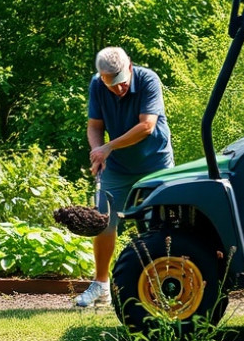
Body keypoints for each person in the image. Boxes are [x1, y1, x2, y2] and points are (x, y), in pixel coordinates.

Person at [75, 47, 175, 307]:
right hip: (118, 167)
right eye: (112, 86)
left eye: (121, 84)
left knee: (158, 226)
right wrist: (98, 152)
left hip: (155, 164)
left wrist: (108, 147)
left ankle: (161, 285)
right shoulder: (98, 85)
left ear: (129, 66)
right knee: (104, 222)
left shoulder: (148, 80)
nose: (118, 90)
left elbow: (147, 126)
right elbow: (95, 127)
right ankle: (101, 285)